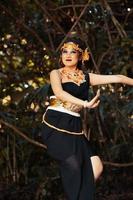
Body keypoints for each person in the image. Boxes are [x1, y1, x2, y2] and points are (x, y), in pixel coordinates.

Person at [41, 37, 133, 200]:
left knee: (96, 166)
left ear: (81, 55)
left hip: (74, 127)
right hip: (55, 123)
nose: (68, 55)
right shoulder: (56, 73)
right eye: (65, 51)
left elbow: (118, 78)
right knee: (74, 166)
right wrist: (84, 103)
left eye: (73, 51)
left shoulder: (87, 77)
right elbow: (60, 93)